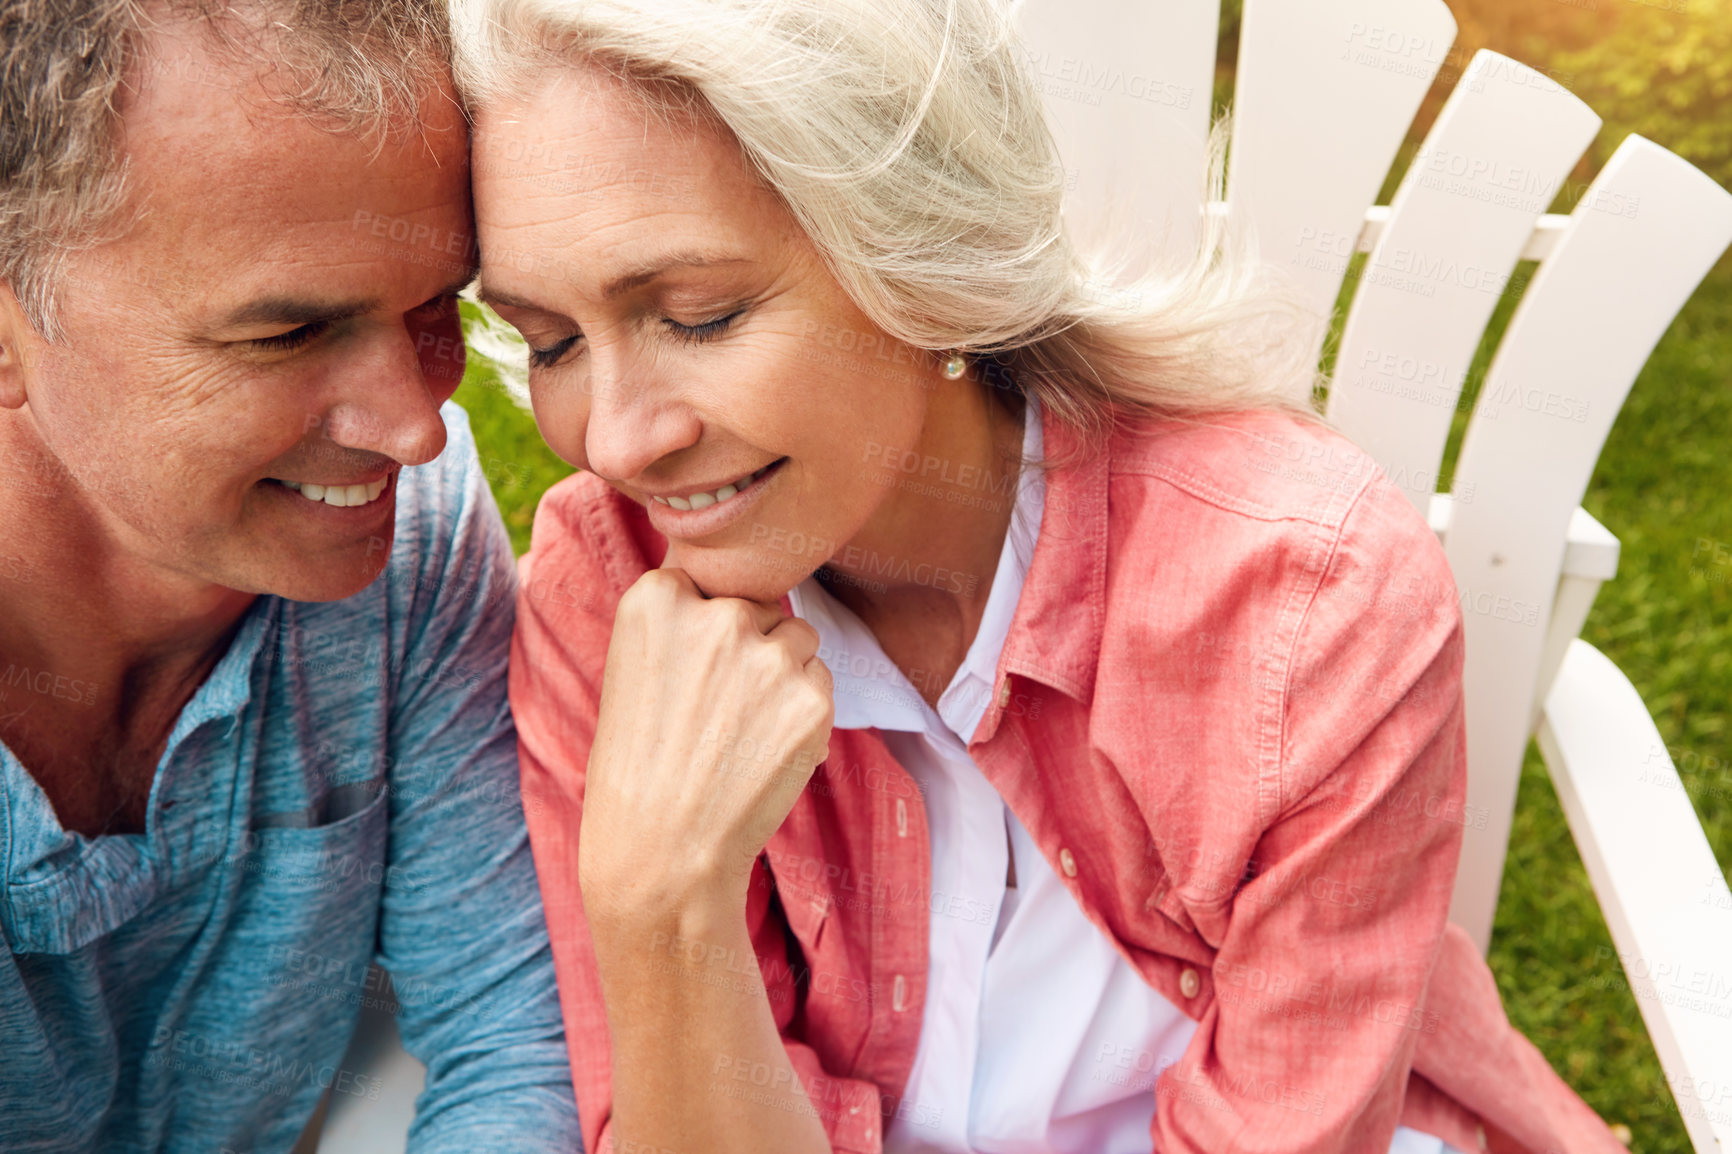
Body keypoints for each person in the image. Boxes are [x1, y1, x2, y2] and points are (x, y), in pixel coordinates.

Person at [460, 0, 1631, 1151]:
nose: (614, 440)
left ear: (926, 254)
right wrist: (660, 899)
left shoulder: (1302, 598)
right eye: (551, 339)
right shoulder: (605, 586)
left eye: (700, 316)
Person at [0, 2, 579, 1149]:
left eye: (433, 307)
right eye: (288, 334)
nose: (418, 427)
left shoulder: (413, 538)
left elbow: (516, 1031)